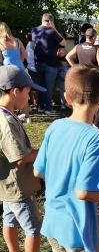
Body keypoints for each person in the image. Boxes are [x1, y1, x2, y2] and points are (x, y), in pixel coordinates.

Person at [33, 65, 99, 252]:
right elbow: (84, 192)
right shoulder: (97, 138)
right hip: (79, 230)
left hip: (53, 222)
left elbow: (38, 170)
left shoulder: (55, 126)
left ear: (66, 98)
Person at [0, 65, 47, 252]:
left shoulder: (6, 114)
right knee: (33, 228)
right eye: (27, 93)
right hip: (19, 186)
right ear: (15, 91)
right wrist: (47, 152)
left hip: (8, 187)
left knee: (9, 219)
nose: (29, 98)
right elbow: (21, 157)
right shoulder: (6, 121)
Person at [31, 13, 66, 115]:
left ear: (42, 20)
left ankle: (41, 107)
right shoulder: (51, 31)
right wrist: (54, 29)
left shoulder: (34, 30)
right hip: (50, 63)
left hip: (38, 62)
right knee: (49, 87)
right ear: (50, 21)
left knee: (41, 86)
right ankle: (48, 108)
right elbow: (63, 43)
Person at [0, 22, 31, 122]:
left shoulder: (0, 42)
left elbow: (0, 60)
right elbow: (25, 56)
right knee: (23, 91)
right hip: (21, 69)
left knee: (9, 94)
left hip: (8, 71)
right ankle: (27, 116)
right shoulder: (17, 41)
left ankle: (11, 114)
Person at [26, 32, 38, 110]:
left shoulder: (27, 46)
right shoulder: (34, 45)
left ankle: (34, 102)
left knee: (33, 86)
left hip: (30, 67)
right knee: (36, 86)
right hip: (35, 67)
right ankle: (36, 102)